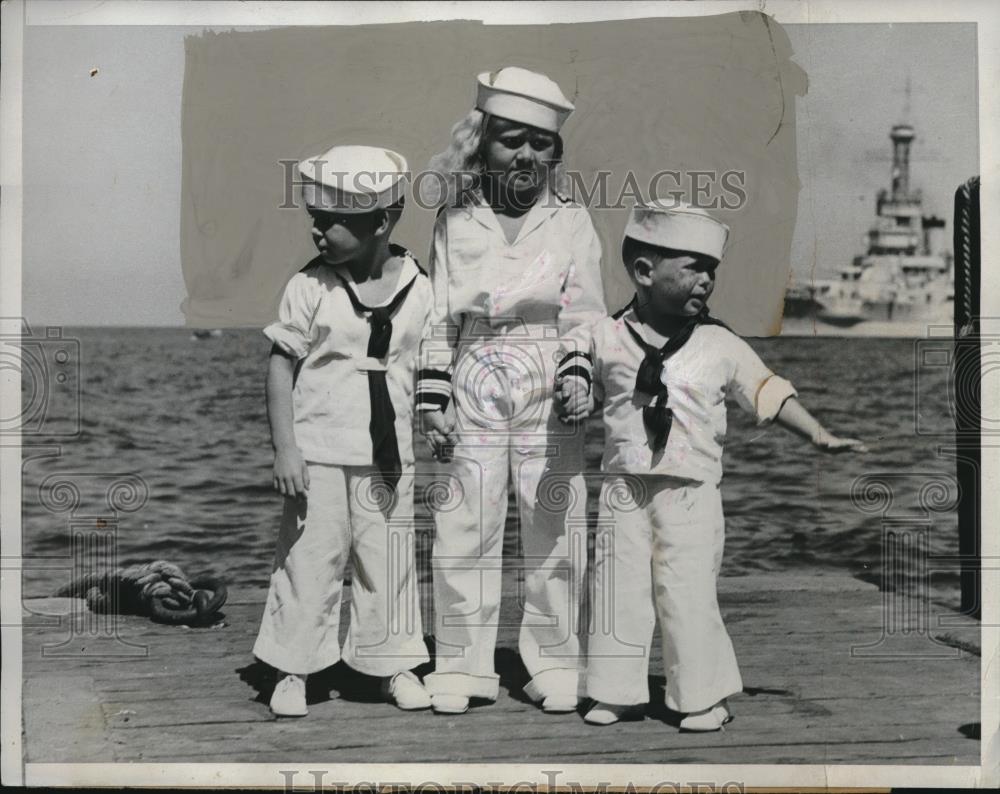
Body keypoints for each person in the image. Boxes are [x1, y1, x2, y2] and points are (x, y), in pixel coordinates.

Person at [556, 200, 866, 730]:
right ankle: (615, 690)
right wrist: (574, 389)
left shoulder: (720, 343)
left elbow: (766, 391)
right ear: (644, 272)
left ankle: (699, 696)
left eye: (712, 270)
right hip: (623, 490)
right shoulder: (605, 336)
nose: (706, 280)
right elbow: (575, 365)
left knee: (687, 593)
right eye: (693, 267)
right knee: (618, 590)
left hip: (691, 494)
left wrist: (817, 433)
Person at [416, 67, 607, 715]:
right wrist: (433, 397)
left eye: (539, 143)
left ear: (555, 153)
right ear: (482, 145)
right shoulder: (457, 219)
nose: (524, 154)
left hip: (547, 369)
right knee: (462, 519)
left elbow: (586, 314)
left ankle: (552, 660)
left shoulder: (572, 220)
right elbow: (438, 316)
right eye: (509, 140)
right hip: (474, 364)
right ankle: (463, 665)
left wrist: (579, 374)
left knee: (553, 518)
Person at [252, 145, 432, 717]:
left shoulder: (420, 286)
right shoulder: (310, 287)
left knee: (388, 561)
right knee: (309, 560)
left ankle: (392, 664)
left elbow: (430, 362)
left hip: (387, 454)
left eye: (333, 221)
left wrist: (438, 412)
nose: (318, 231)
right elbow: (281, 366)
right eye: (314, 218)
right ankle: (293, 669)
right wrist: (286, 449)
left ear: (380, 222)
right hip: (321, 453)